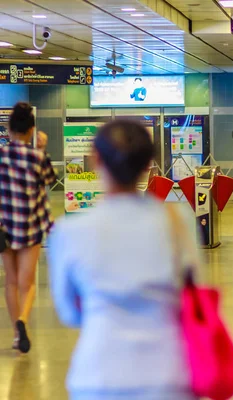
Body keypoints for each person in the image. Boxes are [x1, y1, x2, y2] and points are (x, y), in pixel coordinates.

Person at [48, 120, 196, 400]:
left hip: (98, 375)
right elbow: (191, 290)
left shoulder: (69, 231)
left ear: (96, 159)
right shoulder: (178, 222)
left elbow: (69, 312)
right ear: (148, 164)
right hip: (168, 375)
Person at [0, 102, 55, 353]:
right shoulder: (37, 157)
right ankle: (23, 320)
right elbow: (48, 184)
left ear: (9, 129)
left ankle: (15, 334)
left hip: (4, 228)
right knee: (28, 282)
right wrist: (42, 150)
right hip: (30, 227)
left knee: (10, 282)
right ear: (32, 130)